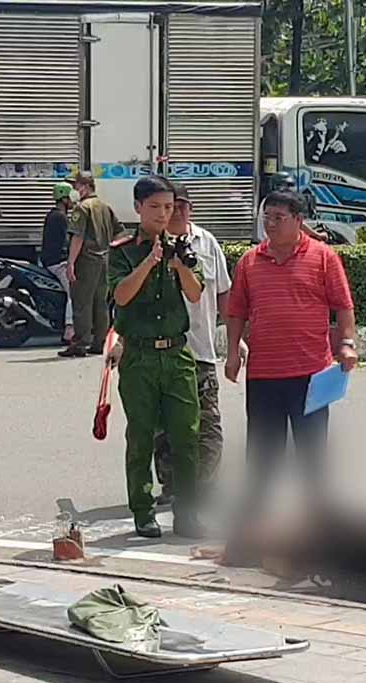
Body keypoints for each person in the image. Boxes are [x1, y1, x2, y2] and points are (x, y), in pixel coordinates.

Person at [225, 190, 357, 537]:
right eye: (266, 217)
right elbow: (236, 310)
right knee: (262, 457)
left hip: (310, 374)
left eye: (278, 217)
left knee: (312, 456)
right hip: (264, 375)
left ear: (299, 220)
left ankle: (319, 531)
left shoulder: (323, 257)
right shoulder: (250, 262)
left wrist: (347, 344)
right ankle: (254, 531)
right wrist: (233, 352)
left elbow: (343, 306)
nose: (270, 224)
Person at [109, 175, 205, 539]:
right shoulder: (122, 250)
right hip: (140, 357)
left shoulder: (182, 248)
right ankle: (143, 511)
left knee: (186, 436)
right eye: (155, 207)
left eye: (169, 208)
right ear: (137, 208)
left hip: (177, 354)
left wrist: (180, 266)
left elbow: (196, 295)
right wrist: (149, 262)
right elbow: (120, 296)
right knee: (141, 436)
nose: (163, 215)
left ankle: (188, 512)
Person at [144, 183, 232, 508]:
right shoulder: (150, 246)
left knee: (208, 425)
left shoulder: (206, 243)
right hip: (160, 352)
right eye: (169, 206)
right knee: (164, 427)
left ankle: (203, 487)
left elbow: (223, 290)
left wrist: (236, 338)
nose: (176, 212)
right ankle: (171, 487)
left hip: (201, 350)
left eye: (182, 206)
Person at [63, 171, 124, 358]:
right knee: (101, 304)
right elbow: (119, 233)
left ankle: (80, 343)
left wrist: (71, 263)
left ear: (86, 186)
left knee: (82, 302)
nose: (74, 189)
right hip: (104, 261)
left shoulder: (82, 208)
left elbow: (78, 237)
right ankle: (100, 342)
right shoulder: (105, 207)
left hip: (86, 262)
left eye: (76, 185)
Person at [41, 182, 75, 343]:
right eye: (69, 198)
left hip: (50, 260)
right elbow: (66, 242)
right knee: (74, 292)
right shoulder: (60, 218)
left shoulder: (53, 214)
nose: (72, 201)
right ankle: (69, 329)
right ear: (64, 198)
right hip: (58, 262)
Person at [257, 172, 323, 242]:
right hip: (275, 244)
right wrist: (317, 235)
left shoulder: (267, 201)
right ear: (277, 186)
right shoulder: (278, 203)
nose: (290, 189)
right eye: (287, 186)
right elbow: (299, 223)